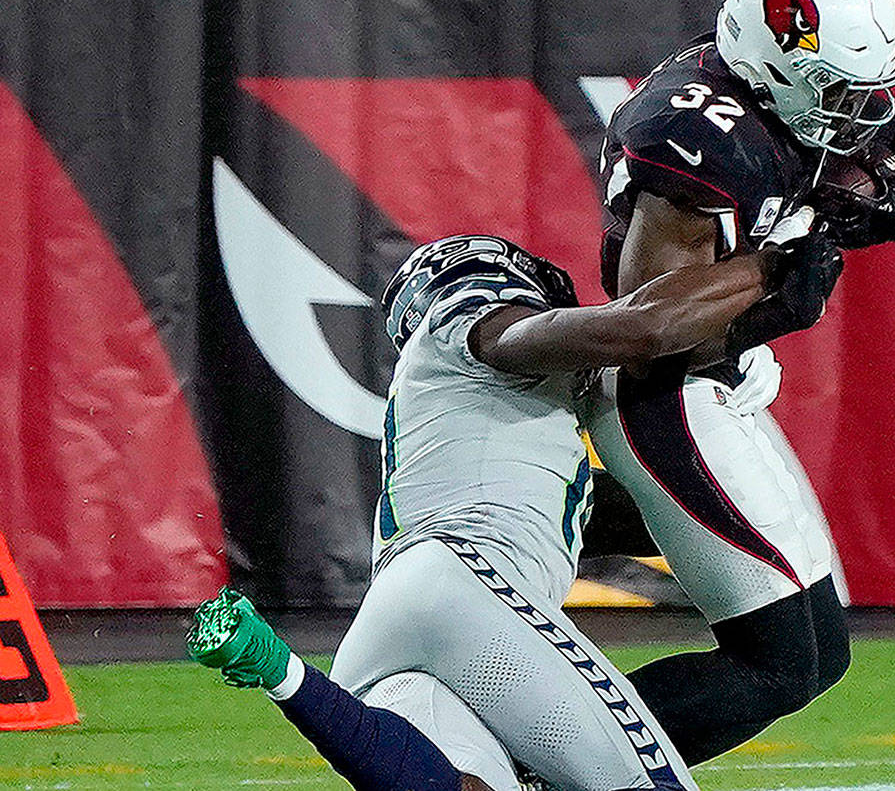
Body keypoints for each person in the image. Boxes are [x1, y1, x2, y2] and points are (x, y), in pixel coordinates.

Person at [188, 231, 842, 791]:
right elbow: (629, 331)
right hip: (464, 589)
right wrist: (755, 301)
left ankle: (288, 674)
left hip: (409, 611)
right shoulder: (471, 328)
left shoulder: (496, 422)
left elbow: (662, 508)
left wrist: (287, 677)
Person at [585, 0, 895, 765]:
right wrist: (777, 284)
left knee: (817, 659)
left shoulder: (780, 97)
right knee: (776, 665)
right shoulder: (696, 133)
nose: (858, 114)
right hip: (668, 394)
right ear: (771, 53)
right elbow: (650, 332)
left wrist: (845, 207)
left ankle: (545, 535)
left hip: (724, 385)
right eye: (838, 93)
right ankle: (537, 767)